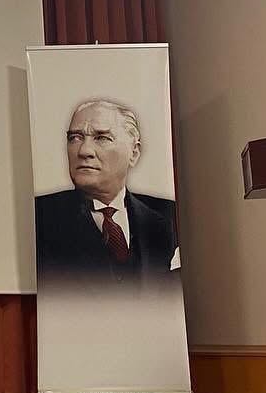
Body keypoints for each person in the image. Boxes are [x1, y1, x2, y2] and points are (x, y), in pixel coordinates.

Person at [34, 99, 178, 283]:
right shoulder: (38, 216)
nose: (84, 151)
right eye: (75, 138)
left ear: (134, 153)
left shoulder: (171, 216)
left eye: (102, 138)